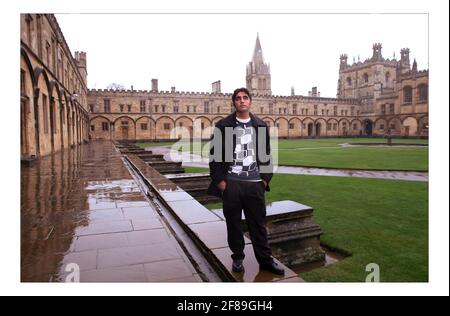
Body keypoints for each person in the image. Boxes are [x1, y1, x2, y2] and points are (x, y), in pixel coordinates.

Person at [207, 87, 284, 275]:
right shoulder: (223, 126)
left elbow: (266, 155)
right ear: (234, 103)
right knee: (233, 223)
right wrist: (221, 183)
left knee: (258, 224)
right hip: (232, 183)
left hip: (255, 183)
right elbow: (215, 157)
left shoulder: (260, 125)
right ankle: (238, 258)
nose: (242, 101)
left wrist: (264, 180)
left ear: (250, 101)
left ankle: (265, 261)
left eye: (245, 98)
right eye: (238, 98)